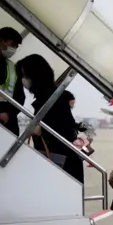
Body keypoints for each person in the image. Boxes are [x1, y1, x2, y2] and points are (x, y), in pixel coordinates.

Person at [17, 54, 84, 183]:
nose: (23, 80)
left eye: (25, 76)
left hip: (62, 164)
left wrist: (42, 130)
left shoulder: (53, 98)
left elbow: (65, 128)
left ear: (35, 76)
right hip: (61, 162)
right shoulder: (50, 96)